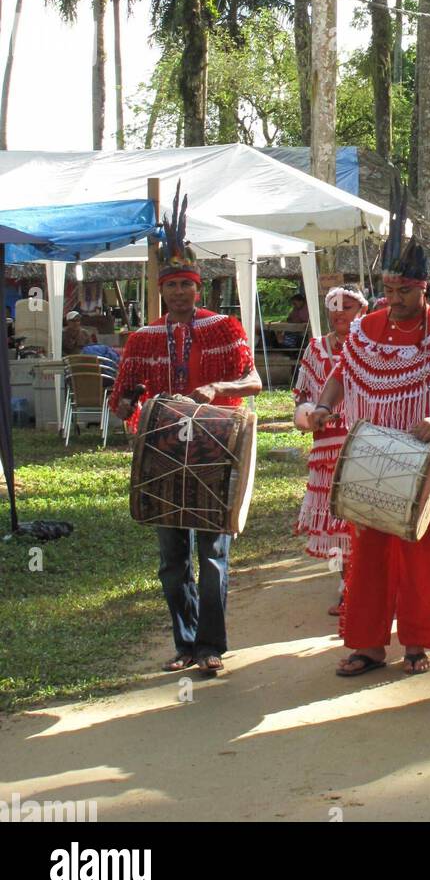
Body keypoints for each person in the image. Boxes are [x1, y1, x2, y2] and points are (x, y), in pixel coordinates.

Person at [310, 185, 430, 677]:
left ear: (424, 287)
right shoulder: (366, 328)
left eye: (404, 291)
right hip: (374, 459)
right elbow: (344, 372)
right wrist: (323, 406)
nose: (395, 299)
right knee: (370, 556)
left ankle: (417, 643)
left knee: (424, 552)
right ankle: (367, 645)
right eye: (388, 290)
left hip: (426, 459)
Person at [109, 187, 262, 674]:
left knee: (213, 554)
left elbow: (254, 380)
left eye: (187, 285)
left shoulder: (225, 329)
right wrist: (129, 401)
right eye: (172, 285)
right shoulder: (142, 339)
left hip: (214, 454)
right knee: (172, 559)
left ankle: (212, 646)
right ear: (162, 288)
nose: (180, 292)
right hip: (161, 456)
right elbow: (120, 403)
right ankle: (185, 643)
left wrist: (220, 386)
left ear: (199, 287)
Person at [293, 287, 368, 623]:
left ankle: (365, 585)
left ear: (361, 309)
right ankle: (344, 584)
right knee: (333, 526)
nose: (340, 313)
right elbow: (303, 396)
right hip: (327, 448)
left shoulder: (371, 347)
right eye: (334, 307)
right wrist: (306, 413)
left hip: (361, 446)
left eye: (347, 306)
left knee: (358, 521)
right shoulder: (315, 350)